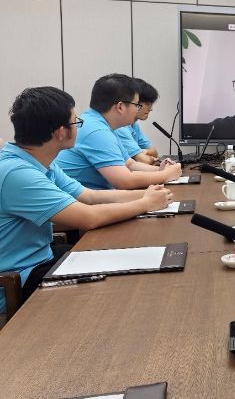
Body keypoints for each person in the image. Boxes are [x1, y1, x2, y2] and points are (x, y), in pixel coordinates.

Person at [0, 87, 173, 313]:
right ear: (60, 132)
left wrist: (150, 193)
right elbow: (89, 217)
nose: (78, 127)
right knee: (114, 294)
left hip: (42, 259)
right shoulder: (18, 173)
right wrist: (145, 203)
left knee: (116, 260)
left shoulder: (39, 161)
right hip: (16, 280)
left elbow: (90, 196)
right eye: (75, 122)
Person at [56, 74, 182, 189]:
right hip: (82, 202)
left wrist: (160, 170)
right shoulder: (97, 131)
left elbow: (130, 164)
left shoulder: (101, 123)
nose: (137, 109)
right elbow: (124, 181)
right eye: (136, 105)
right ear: (120, 107)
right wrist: (166, 175)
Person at [115, 78, 159, 165]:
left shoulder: (133, 125)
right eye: (147, 104)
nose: (151, 109)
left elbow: (154, 152)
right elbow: (144, 160)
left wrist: (146, 152)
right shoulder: (120, 127)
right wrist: (145, 154)